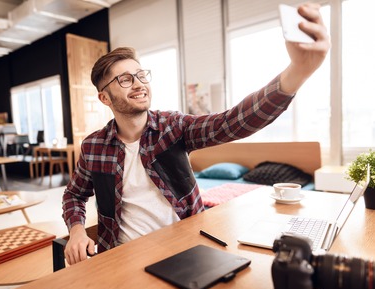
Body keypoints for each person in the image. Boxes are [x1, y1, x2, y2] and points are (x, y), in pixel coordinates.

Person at [62, 2, 330, 265]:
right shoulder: (94, 146)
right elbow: (74, 194)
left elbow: (234, 121)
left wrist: (298, 72)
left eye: (141, 75)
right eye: (125, 79)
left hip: (185, 250)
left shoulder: (173, 127)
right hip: (122, 257)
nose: (139, 84)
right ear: (105, 98)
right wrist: (76, 230)